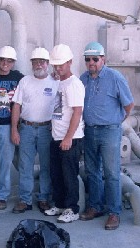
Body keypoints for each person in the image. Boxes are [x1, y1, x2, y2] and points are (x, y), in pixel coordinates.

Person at [79, 42, 134, 230]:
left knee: (111, 173)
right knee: (92, 171)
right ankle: (95, 206)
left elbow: (128, 105)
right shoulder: (83, 79)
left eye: (95, 59)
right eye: (88, 59)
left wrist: (115, 121)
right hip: (89, 130)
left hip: (110, 131)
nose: (91, 62)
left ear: (103, 59)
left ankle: (114, 212)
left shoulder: (115, 77)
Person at [11, 47, 58, 213]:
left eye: (42, 62)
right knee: (25, 166)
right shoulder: (25, 81)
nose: (38, 64)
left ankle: (44, 198)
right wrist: (14, 130)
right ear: (31, 64)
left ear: (48, 64)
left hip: (47, 130)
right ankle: (25, 200)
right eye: (35, 61)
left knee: (46, 166)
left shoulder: (56, 82)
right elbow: (16, 105)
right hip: (27, 129)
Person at [44, 44, 85, 223]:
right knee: (57, 173)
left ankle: (72, 209)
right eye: (55, 65)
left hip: (71, 138)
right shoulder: (60, 81)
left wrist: (68, 137)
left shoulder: (74, 84)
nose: (58, 68)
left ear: (70, 62)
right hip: (57, 137)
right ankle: (60, 204)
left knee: (69, 175)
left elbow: (77, 112)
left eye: (61, 65)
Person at [0, 46, 24, 210]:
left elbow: (32, 88)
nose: (5, 63)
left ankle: (2, 196)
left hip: (8, 126)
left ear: (13, 63)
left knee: (5, 163)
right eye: (2, 60)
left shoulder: (19, 78)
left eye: (9, 61)